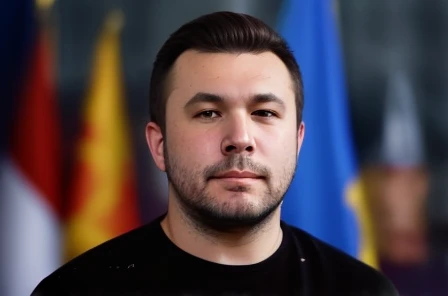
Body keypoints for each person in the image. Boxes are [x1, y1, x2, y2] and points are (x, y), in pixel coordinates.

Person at [32, 11, 398, 295]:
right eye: (208, 113)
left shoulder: (361, 291)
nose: (240, 138)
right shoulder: (75, 292)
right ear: (159, 146)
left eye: (264, 113)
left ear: (298, 141)